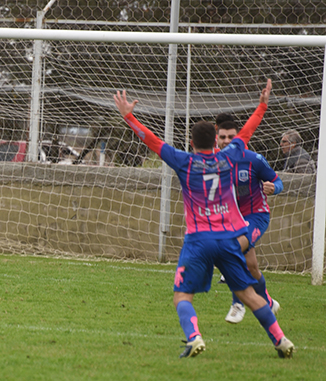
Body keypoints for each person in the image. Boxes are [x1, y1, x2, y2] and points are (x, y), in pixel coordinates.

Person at [113, 83, 295, 359]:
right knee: (248, 293)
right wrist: (262, 105)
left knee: (182, 296)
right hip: (229, 238)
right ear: (216, 142)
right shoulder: (230, 156)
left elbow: (150, 139)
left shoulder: (183, 161)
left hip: (198, 240)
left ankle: (194, 337)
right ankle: (280, 339)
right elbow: (247, 131)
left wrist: (128, 116)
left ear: (191, 143)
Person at [216, 121, 283, 323]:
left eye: (231, 137)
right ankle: (268, 302)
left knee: (233, 248)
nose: (227, 141)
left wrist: (274, 188)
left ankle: (237, 305)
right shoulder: (213, 161)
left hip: (256, 216)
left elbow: (277, 181)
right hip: (231, 219)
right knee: (251, 267)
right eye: (223, 137)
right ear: (217, 139)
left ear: (240, 138)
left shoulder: (254, 160)